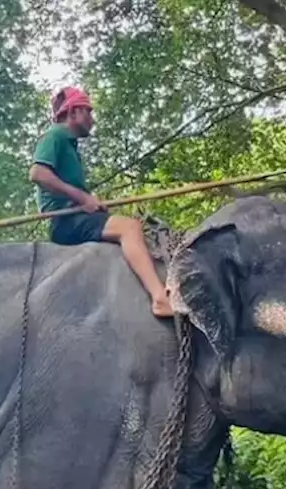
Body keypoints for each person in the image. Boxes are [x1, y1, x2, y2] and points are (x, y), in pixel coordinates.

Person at [28, 86, 174, 317]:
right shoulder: (55, 135)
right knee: (130, 228)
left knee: (135, 229)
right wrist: (82, 197)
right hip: (66, 221)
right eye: (88, 111)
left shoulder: (70, 146)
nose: (92, 119)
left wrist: (93, 203)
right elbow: (37, 174)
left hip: (77, 216)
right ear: (73, 111)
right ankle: (159, 298)